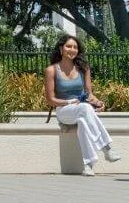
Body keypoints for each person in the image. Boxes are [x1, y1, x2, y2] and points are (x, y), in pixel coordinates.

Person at [45, 34, 122, 175]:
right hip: (64, 110)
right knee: (85, 108)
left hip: (81, 109)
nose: (72, 49)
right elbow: (50, 100)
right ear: (61, 49)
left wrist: (98, 102)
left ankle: (88, 165)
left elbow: (89, 94)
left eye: (75, 47)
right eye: (69, 46)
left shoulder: (83, 68)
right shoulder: (52, 70)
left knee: (83, 120)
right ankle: (107, 149)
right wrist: (69, 101)